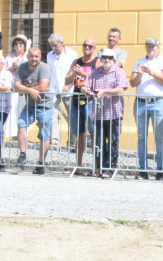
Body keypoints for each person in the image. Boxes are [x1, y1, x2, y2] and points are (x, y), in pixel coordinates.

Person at [129, 37, 163, 180]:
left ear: (157, 47)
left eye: (153, 46)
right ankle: (143, 170)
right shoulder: (139, 61)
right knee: (141, 137)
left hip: (158, 102)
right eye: (148, 46)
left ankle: (160, 170)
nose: (150, 48)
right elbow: (132, 83)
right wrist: (140, 73)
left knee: (159, 137)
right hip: (141, 102)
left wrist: (151, 72)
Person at [84, 49, 129, 179]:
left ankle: (110, 169)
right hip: (98, 113)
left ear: (114, 60)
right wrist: (85, 90)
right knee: (99, 143)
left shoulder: (119, 72)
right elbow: (85, 85)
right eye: (104, 57)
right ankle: (101, 168)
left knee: (113, 142)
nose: (106, 60)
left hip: (114, 113)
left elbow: (121, 89)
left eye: (109, 57)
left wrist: (104, 91)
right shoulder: (95, 72)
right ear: (101, 59)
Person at [14, 46, 54, 174]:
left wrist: (25, 89)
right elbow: (16, 86)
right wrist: (30, 90)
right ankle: (23, 155)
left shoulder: (44, 68)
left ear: (40, 57)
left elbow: (42, 87)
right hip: (30, 105)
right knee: (21, 123)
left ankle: (41, 164)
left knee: (43, 134)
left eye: (36, 56)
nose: (34, 59)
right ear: (27, 57)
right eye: (31, 56)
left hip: (44, 105)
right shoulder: (22, 67)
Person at [65, 38, 99, 172]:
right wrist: (74, 73)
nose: (87, 48)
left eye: (90, 46)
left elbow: (98, 80)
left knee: (93, 133)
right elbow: (67, 80)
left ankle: (96, 166)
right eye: (85, 45)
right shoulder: (76, 61)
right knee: (79, 133)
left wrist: (82, 74)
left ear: (94, 48)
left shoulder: (97, 62)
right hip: (76, 99)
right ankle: (79, 165)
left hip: (90, 100)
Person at [45, 33, 77, 150]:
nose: (53, 48)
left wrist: (68, 86)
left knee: (72, 116)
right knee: (52, 113)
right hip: (54, 89)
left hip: (69, 89)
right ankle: (54, 139)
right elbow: (50, 71)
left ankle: (71, 141)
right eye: (51, 46)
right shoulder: (50, 55)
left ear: (62, 43)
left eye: (55, 45)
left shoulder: (72, 54)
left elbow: (75, 72)